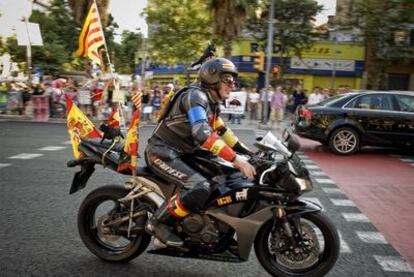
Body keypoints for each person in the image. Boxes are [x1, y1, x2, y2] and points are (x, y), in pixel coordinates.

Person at [145, 57, 256, 247]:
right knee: (199, 187)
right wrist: (237, 159)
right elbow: (202, 133)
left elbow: (223, 132)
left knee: (225, 174)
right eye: (228, 80)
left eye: (234, 81)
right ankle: (157, 223)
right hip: (163, 151)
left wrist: (249, 154)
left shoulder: (211, 102)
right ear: (213, 78)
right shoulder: (196, 97)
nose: (233, 85)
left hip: (185, 153)